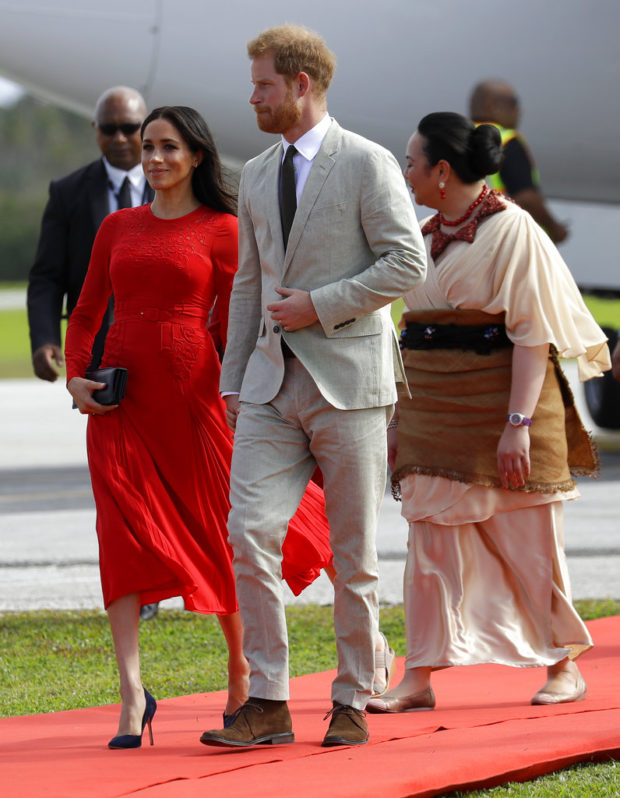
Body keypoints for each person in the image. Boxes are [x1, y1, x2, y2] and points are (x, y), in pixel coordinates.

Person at [64, 105, 333, 749]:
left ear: (197, 157)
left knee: (222, 537)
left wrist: (246, 391)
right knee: (120, 537)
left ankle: (242, 671)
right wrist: (78, 379)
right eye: (146, 145)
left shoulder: (222, 228)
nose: (153, 157)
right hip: (119, 405)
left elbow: (238, 322)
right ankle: (132, 694)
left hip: (194, 400)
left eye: (168, 147)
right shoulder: (116, 227)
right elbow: (86, 312)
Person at [199, 24, 426, 751]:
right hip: (268, 387)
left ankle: (353, 695)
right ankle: (267, 699)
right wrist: (233, 380)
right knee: (248, 533)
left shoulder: (367, 162)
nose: (253, 96)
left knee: (353, 554)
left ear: (301, 84)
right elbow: (248, 284)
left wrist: (321, 304)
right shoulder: (258, 171)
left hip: (352, 384)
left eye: (263, 84)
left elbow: (406, 263)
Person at [366, 112, 610, 715]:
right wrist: (397, 423)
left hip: (503, 406)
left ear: (441, 172)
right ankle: (418, 675)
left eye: (411, 162)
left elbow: (532, 337)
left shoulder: (514, 231)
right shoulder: (420, 234)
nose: (405, 172)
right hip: (431, 408)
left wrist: (517, 426)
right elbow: (407, 335)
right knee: (428, 543)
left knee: (527, 540)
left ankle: (562, 664)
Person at [27, 85, 159, 622]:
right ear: (97, 132)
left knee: (165, 473)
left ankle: (170, 571)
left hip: (165, 355)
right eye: (112, 128)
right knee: (119, 478)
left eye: (133, 128)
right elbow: (47, 276)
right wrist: (43, 339)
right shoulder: (69, 191)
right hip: (100, 361)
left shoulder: (174, 182)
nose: (124, 139)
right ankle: (141, 585)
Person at [469, 79, 569, 245]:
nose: (519, 111)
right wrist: (554, 228)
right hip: (506, 239)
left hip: (467, 238)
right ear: (491, 105)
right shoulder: (505, 140)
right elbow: (526, 197)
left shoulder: (460, 138)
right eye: (514, 103)